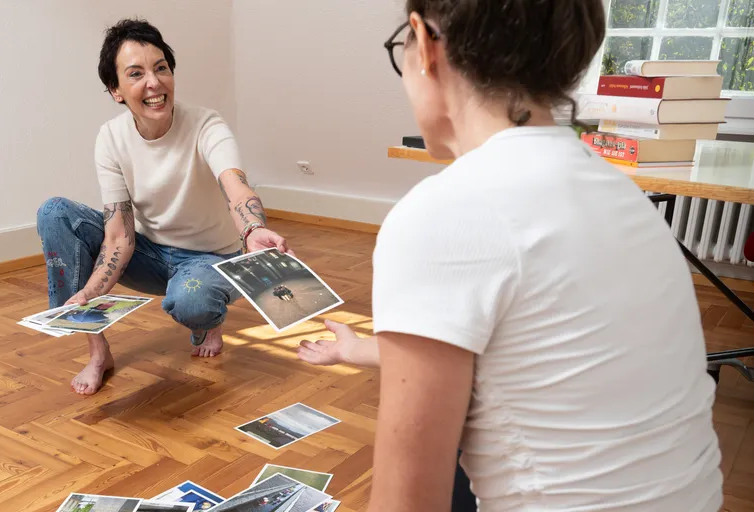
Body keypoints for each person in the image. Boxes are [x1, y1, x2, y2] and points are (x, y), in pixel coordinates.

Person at [299, 1, 723, 510]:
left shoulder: (446, 212)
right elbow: (537, 353)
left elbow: (406, 504)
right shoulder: (619, 192)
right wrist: (359, 349)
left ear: (425, 43)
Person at [36, 19, 292, 396]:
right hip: (149, 254)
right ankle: (98, 350)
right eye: (136, 74)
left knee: (192, 301)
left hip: (209, 259)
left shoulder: (207, 125)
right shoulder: (111, 138)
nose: (154, 83)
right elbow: (119, 236)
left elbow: (236, 187)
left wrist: (253, 230)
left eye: (161, 69)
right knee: (54, 212)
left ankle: (206, 321)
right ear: (116, 90)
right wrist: (88, 294)